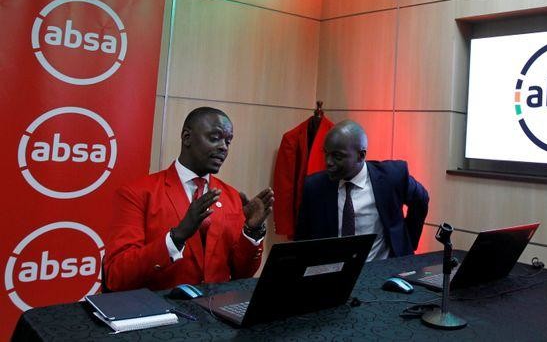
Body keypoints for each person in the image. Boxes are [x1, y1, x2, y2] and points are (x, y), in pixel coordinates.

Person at [103, 107, 274, 291]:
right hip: (161, 306)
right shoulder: (136, 194)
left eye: (228, 141)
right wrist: (176, 237)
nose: (224, 147)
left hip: (217, 306)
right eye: (215, 138)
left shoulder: (231, 196)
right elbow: (116, 276)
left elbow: (242, 275)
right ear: (187, 137)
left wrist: (251, 231)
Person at [294, 120, 429, 261]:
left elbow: (421, 199)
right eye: (326, 153)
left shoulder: (391, 177)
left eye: (337, 156)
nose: (328, 162)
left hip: (381, 268)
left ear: (361, 155)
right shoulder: (315, 186)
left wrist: (407, 241)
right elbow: (302, 240)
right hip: (333, 269)